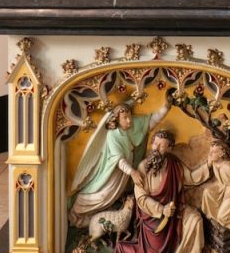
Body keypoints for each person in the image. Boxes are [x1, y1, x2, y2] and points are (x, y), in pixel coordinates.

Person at [114, 129, 210, 253]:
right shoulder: (143, 167)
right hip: (153, 218)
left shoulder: (175, 165)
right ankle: (123, 249)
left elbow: (191, 178)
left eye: (161, 146)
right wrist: (161, 209)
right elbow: (141, 198)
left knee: (195, 220)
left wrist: (209, 164)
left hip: (175, 211)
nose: (156, 148)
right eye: (155, 144)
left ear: (169, 148)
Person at [68, 97, 170, 228]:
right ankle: (78, 211)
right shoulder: (113, 135)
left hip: (124, 172)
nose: (129, 120)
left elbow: (152, 121)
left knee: (113, 196)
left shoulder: (132, 124)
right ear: (117, 119)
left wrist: (166, 106)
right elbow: (119, 160)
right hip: (112, 171)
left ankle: (96, 218)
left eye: (130, 116)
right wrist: (132, 172)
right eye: (125, 118)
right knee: (103, 195)